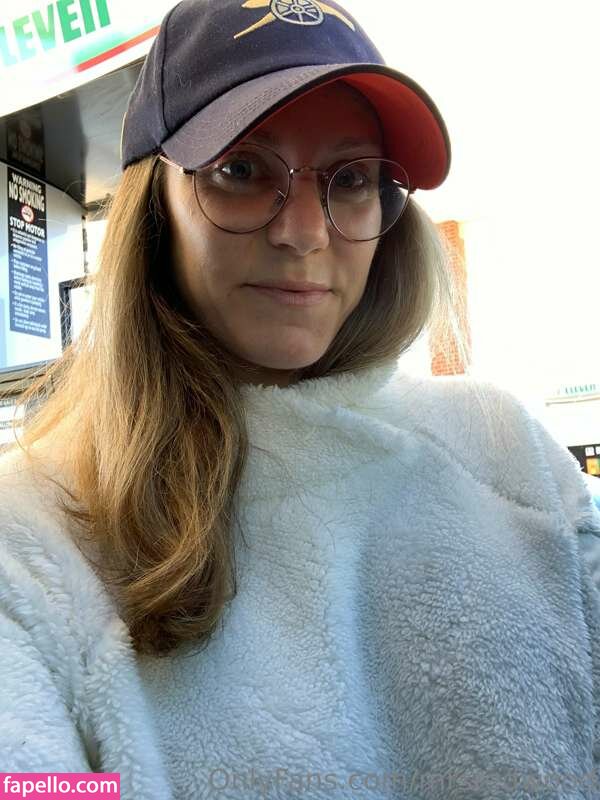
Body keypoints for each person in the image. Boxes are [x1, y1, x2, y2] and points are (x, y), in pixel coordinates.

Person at [1, 1, 600, 798]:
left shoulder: (509, 455)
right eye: (243, 170)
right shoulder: (35, 537)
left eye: (350, 179)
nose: (306, 232)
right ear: (154, 208)